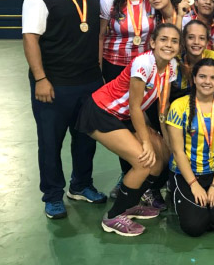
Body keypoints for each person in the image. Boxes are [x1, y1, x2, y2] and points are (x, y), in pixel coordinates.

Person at [22, 0, 107, 219]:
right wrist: (41, 78)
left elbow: (97, 34)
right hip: (54, 84)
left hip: (89, 82)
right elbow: (31, 39)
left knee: (86, 139)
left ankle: (81, 185)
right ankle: (53, 195)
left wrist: (99, 72)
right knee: (50, 142)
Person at [76, 24, 181, 236]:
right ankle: (113, 216)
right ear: (152, 42)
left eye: (174, 41)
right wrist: (145, 142)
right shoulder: (144, 63)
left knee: (160, 160)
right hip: (101, 111)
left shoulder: (172, 67)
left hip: (121, 116)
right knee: (144, 162)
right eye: (163, 39)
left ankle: (131, 203)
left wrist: (167, 139)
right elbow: (135, 107)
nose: (168, 44)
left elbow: (164, 106)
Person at [98, 0, 155, 199]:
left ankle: (151, 180)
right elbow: (100, 36)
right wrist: (98, 69)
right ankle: (128, 175)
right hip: (115, 66)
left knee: (147, 120)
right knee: (123, 123)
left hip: (145, 68)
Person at [167, 58, 214, 237]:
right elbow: (177, 151)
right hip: (185, 174)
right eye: (202, 76)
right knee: (194, 227)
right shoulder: (179, 106)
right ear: (194, 79)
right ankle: (178, 193)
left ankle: (207, 205)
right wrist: (194, 185)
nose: (207, 81)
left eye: (213, 78)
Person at [173, 20, 214, 99]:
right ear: (184, 40)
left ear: (207, 42)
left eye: (202, 38)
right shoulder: (175, 61)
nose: (196, 42)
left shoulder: (213, 58)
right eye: (191, 37)